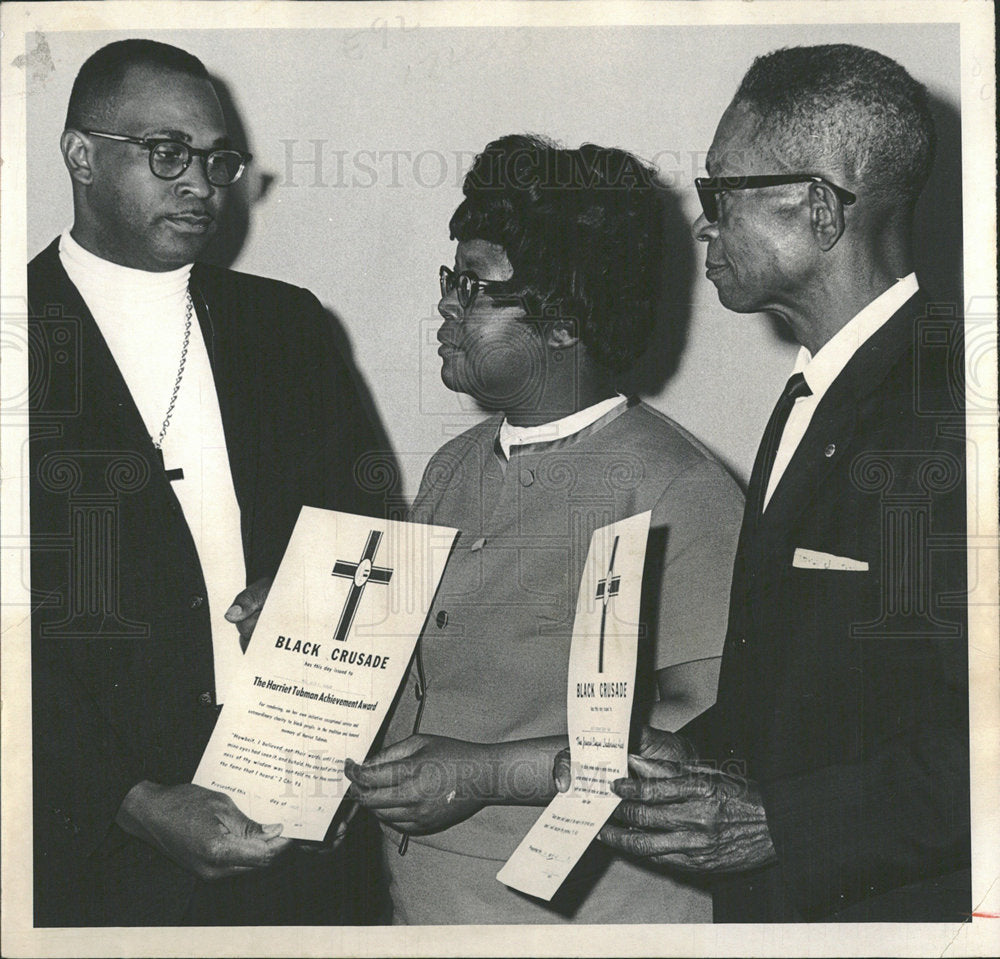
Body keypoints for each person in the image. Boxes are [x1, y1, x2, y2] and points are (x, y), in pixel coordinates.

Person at [577, 44, 970, 922]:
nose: (703, 224)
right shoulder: (810, 398)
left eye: (721, 192)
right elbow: (817, 691)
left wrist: (783, 824)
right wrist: (692, 758)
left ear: (820, 208)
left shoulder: (954, 410)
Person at [29, 39, 386, 926]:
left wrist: (304, 589)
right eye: (166, 153)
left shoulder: (288, 327)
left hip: (305, 828)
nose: (201, 183)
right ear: (80, 155)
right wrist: (131, 797)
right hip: (95, 849)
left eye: (217, 159)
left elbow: (374, 527)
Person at [344, 134, 744, 923]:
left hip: (588, 919)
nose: (447, 303)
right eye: (449, 277)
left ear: (563, 323)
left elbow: (704, 741)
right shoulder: (453, 466)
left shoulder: (678, 487)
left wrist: (488, 774)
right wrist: (300, 617)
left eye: (475, 285)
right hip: (426, 907)